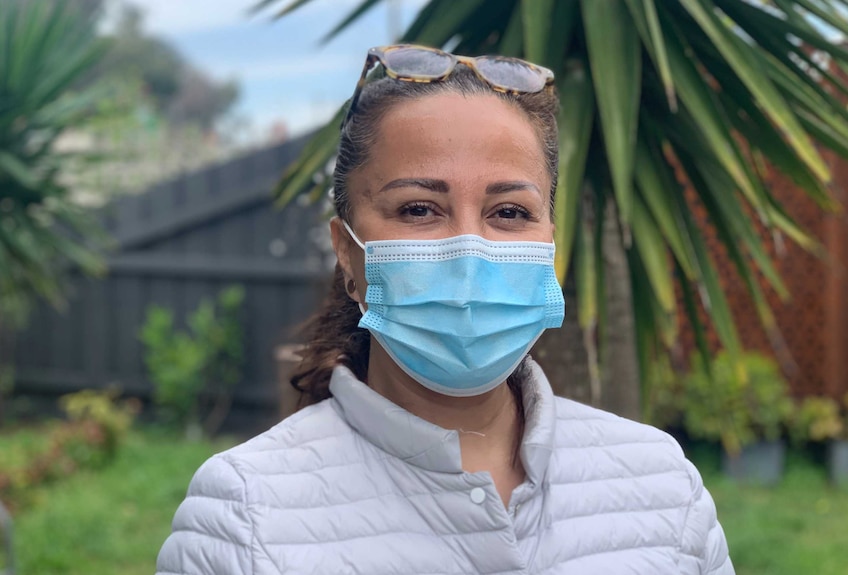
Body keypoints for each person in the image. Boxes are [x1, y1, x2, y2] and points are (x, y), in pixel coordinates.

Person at [156, 45, 734, 575]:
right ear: (347, 253)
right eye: (418, 209)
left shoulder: (663, 484)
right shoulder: (244, 519)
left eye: (509, 212)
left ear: (549, 241)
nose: (468, 251)